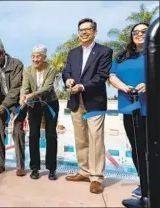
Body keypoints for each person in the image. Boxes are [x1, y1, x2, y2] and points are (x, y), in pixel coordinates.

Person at [62, 18, 113, 194]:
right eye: (81, 30)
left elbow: (101, 76)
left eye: (87, 29)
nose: (83, 32)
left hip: (95, 101)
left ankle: (96, 177)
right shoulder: (72, 52)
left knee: (96, 139)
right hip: (76, 101)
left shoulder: (105, 51)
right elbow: (66, 71)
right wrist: (68, 79)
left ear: (95, 32)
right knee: (81, 139)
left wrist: (82, 86)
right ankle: (84, 171)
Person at [108, 23, 149, 199]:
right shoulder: (121, 56)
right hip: (129, 109)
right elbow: (111, 76)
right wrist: (124, 87)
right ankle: (144, 183)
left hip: (152, 108)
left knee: (152, 148)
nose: (139, 34)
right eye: (135, 32)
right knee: (137, 148)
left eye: (144, 32)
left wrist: (151, 83)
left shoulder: (155, 54)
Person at [0, 41, 27, 176]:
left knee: (18, 132)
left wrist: (4, 105)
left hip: (16, 103)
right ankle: (0, 164)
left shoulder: (17, 64)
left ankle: (20, 166)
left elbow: (16, 89)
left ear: (3, 53)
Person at [20, 45, 59, 180]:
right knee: (33, 135)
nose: (35, 59)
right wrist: (23, 97)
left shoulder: (52, 69)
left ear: (44, 57)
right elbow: (24, 87)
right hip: (34, 105)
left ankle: (52, 169)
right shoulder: (28, 70)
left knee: (51, 135)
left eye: (38, 56)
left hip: (50, 103)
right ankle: (35, 168)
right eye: (33, 56)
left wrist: (31, 95)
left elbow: (47, 87)